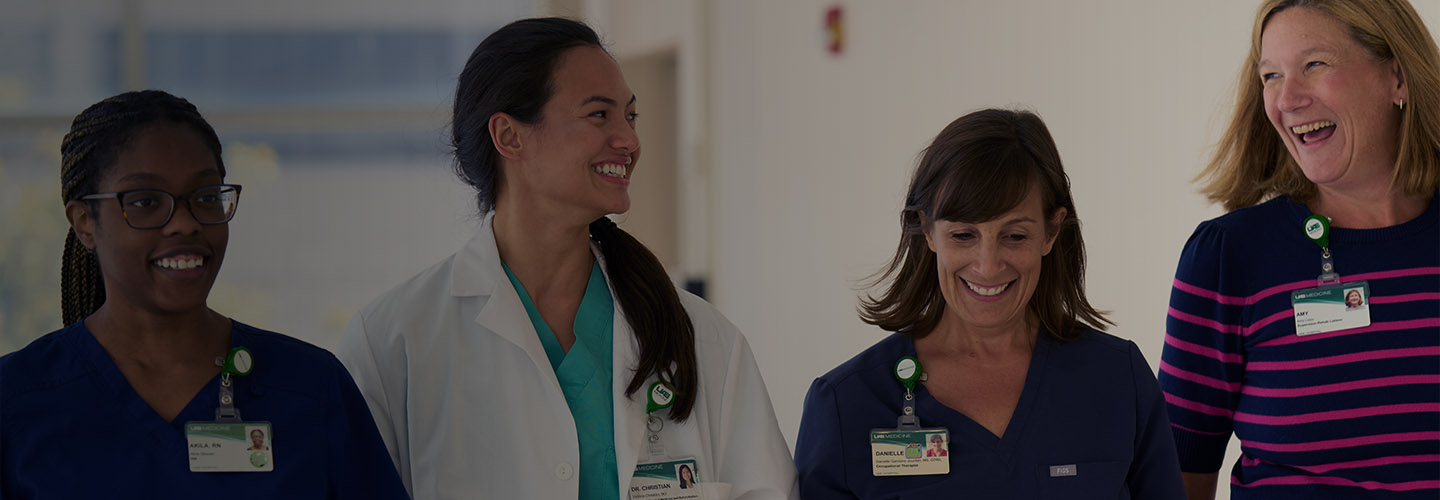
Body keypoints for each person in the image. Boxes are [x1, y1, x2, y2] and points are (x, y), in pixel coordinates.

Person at [336, 17, 796, 500]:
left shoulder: (701, 337)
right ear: (509, 136)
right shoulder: (395, 343)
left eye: (630, 116)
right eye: (599, 115)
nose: (629, 140)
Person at [0, 90, 408, 498]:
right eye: (146, 201)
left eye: (206, 197)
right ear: (84, 222)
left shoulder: (310, 387)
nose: (184, 223)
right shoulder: (16, 399)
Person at [794, 108, 1184, 499]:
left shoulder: (1117, 380)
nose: (988, 266)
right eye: (963, 235)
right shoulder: (847, 404)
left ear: (1051, 231)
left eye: (1015, 236)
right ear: (927, 229)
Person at [1160, 0, 1440, 498]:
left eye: (1314, 64)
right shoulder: (1228, 258)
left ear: (1397, 77)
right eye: (1270, 76)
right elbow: (1178, 479)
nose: (1286, 99)